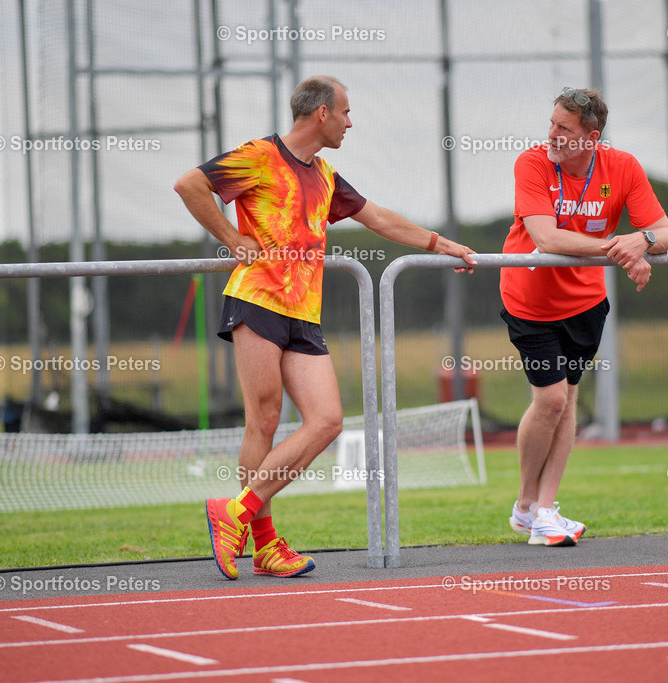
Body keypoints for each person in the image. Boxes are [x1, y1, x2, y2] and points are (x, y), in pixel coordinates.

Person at [174, 75, 477, 579]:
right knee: (264, 419)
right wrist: (231, 238)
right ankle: (265, 547)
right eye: (346, 112)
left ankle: (236, 511)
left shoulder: (327, 175)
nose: (350, 122)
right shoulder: (259, 155)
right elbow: (190, 184)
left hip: (303, 312)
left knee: (328, 420)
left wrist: (441, 245)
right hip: (256, 300)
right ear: (322, 114)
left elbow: (377, 217)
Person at [499, 87, 668, 547]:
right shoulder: (533, 163)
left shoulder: (623, 167)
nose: (552, 135)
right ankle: (524, 505)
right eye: (552, 123)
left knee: (570, 399)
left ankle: (544, 509)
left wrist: (643, 242)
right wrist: (624, 249)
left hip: (585, 304)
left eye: (564, 128)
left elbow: (666, 235)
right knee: (551, 400)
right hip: (529, 302)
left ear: (591, 137)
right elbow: (546, 238)